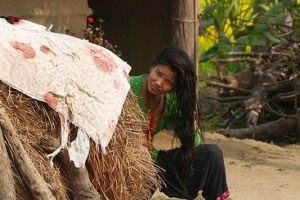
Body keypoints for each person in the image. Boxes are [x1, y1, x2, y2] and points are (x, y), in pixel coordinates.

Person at [129, 47, 230, 200]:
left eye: (168, 82)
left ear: (175, 87)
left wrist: (192, 126)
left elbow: (193, 143)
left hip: (152, 161)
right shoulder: (127, 87)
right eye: (158, 73)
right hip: (125, 158)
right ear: (152, 66)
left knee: (212, 154)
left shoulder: (170, 102)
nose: (159, 82)